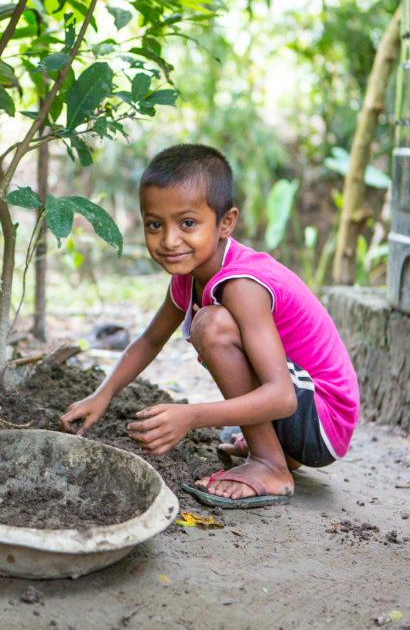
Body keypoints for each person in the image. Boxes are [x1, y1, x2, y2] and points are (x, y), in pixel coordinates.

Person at [61, 144, 359, 508]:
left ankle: (270, 465)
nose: (169, 240)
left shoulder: (241, 284)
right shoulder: (190, 275)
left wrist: (191, 416)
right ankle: (277, 450)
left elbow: (281, 396)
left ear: (226, 223)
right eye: (155, 224)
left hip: (324, 421)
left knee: (211, 325)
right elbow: (150, 340)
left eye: (187, 223)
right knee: (210, 323)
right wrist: (101, 396)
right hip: (300, 415)